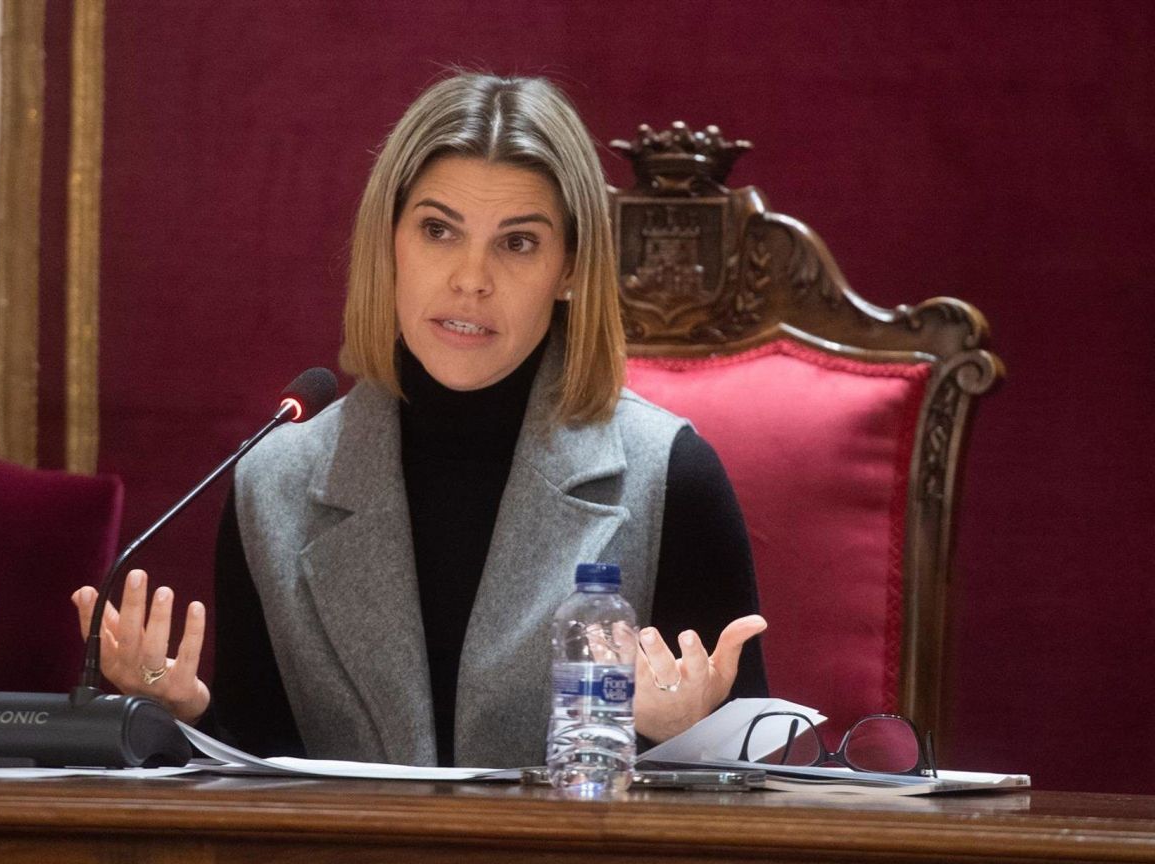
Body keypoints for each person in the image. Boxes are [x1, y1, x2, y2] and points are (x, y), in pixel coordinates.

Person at [72, 72, 768, 769]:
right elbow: (264, 767)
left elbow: (764, 794)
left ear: (570, 270)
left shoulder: (671, 477)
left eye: (518, 243)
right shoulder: (273, 484)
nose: (471, 279)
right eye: (438, 231)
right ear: (390, 244)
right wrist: (186, 718)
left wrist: (678, 739)